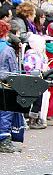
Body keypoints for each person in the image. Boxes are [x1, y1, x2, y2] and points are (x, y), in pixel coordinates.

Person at [0, 20, 22, 153]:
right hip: (4, 85)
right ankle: (4, 141)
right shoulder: (8, 49)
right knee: (5, 111)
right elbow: (14, 71)